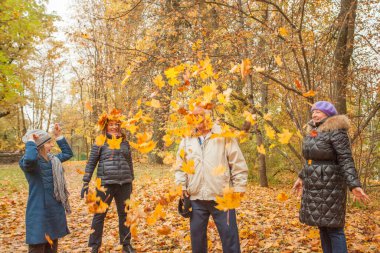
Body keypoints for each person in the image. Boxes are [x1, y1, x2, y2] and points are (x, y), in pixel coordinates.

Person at [292, 101, 370, 253]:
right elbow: (311, 159)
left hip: (332, 185)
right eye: (313, 111)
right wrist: (301, 177)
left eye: (318, 112)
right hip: (315, 185)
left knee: (334, 229)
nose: (314, 114)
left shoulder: (337, 131)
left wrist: (354, 185)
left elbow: (346, 159)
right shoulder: (314, 131)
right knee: (322, 226)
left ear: (328, 114)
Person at [175, 106, 248, 253]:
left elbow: (237, 162)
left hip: (222, 197)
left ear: (208, 116)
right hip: (196, 197)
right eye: (194, 117)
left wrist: (239, 187)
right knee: (197, 241)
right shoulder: (187, 138)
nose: (197, 120)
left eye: (200, 115)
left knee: (230, 239)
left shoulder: (223, 134)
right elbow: (180, 164)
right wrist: (181, 185)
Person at [81, 109, 135, 253]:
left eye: (116, 124)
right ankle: (94, 245)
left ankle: (126, 244)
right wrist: (86, 181)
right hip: (105, 184)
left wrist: (132, 180)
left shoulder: (125, 143)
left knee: (125, 215)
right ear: (106, 126)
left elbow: (129, 162)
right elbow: (91, 162)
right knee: (99, 215)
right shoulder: (100, 142)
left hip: (124, 183)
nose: (114, 127)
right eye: (111, 124)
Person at [20, 123, 73, 253]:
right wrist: (31, 141)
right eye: (49, 142)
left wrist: (58, 136)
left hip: (54, 210)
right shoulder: (29, 163)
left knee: (52, 247)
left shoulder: (53, 160)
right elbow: (30, 158)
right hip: (38, 212)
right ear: (40, 145)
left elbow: (67, 153)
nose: (52, 145)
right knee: (37, 246)